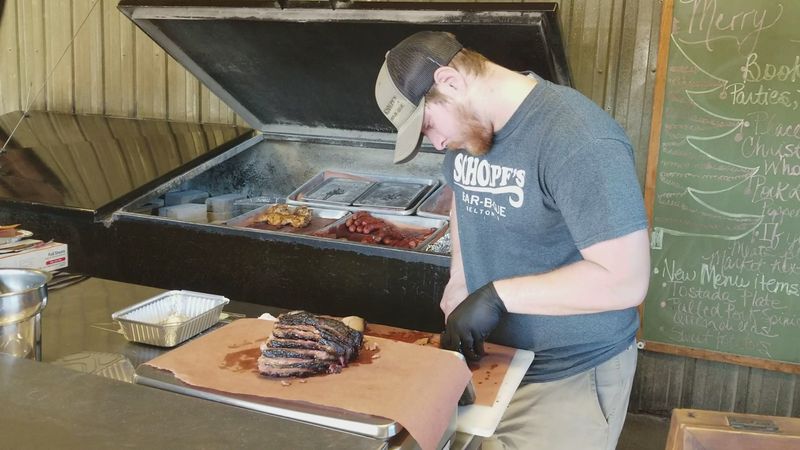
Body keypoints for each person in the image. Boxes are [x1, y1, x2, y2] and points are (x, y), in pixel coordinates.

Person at [374, 31, 651, 449]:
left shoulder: (579, 139)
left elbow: (626, 280)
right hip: (493, 364)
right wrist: (461, 280)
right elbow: (462, 198)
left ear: (451, 81)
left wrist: (497, 296)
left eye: (428, 126)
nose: (438, 144)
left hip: (568, 374)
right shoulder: (472, 127)